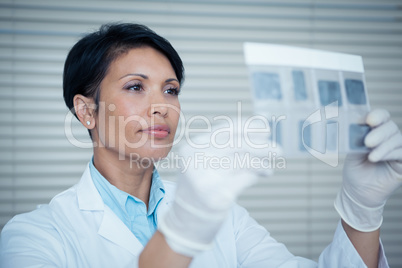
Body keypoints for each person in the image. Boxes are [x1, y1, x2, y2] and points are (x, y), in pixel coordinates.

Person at [0, 22, 401, 268]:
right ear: (86, 112)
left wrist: (361, 211)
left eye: (171, 90)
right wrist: (183, 231)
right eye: (135, 87)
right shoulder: (36, 235)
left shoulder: (224, 216)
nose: (162, 107)